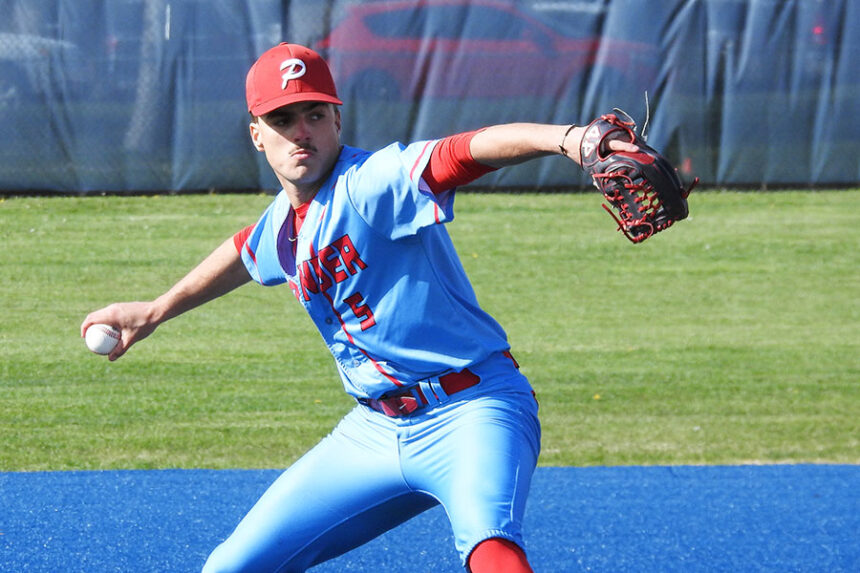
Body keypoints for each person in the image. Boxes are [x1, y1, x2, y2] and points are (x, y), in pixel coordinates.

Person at [81, 43, 637, 573]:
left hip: (472, 408)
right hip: (373, 432)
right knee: (232, 566)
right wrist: (155, 311)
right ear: (257, 135)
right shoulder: (284, 221)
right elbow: (245, 251)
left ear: (337, 122)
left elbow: (464, 152)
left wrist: (571, 139)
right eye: (283, 119)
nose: (302, 132)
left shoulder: (372, 182)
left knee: (491, 549)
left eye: (315, 115)